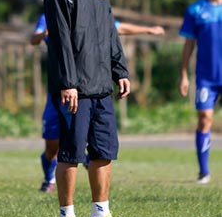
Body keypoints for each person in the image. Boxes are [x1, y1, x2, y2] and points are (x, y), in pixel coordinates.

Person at [43, 0, 136, 217]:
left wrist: (120, 69)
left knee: (104, 150)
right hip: (74, 88)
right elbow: (60, 39)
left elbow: (110, 31)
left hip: (100, 85)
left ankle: (100, 215)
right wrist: (68, 83)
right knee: (71, 150)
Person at [31, 13, 165, 193]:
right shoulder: (50, 13)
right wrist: (43, 34)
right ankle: (49, 178)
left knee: (89, 138)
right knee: (52, 145)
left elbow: (116, 28)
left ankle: (89, 173)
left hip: (86, 89)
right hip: (59, 90)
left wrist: (148, 30)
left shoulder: (88, 10)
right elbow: (34, 38)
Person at [179, 0, 222, 184]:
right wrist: (184, 74)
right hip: (206, 78)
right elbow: (188, 44)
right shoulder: (196, 9)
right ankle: (203, 171)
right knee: (205, 119)